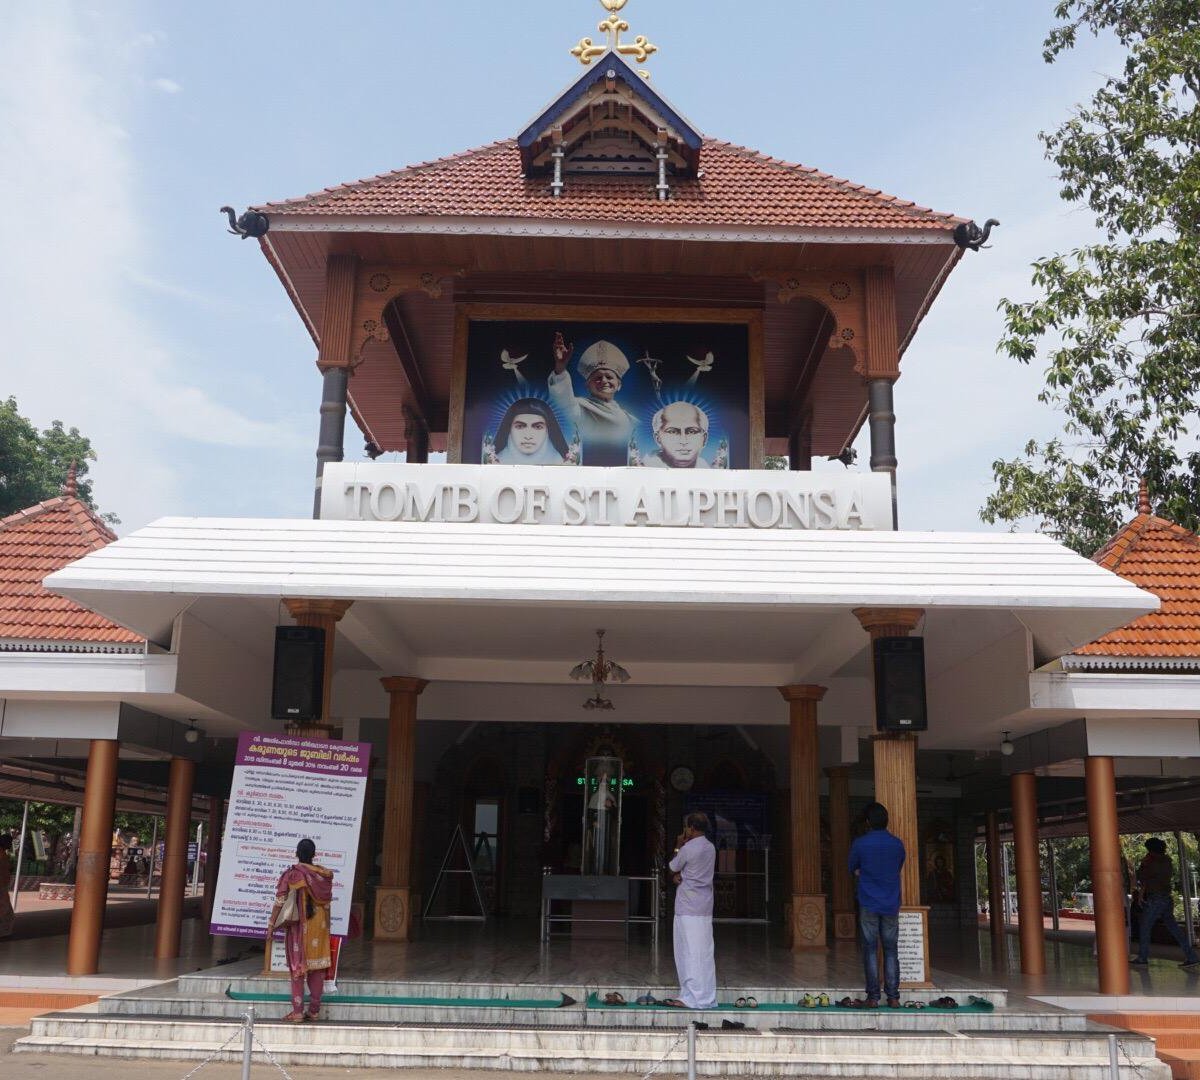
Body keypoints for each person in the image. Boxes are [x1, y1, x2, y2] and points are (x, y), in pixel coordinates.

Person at [268, 838, 335, 1022]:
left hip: (301, 925)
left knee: (298, 967)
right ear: (314, 855)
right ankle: (314, 1011)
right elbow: (327, 904)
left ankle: (297, 1012)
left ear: (296, 853)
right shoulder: (323, 875)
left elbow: (280, 901)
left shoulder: (293, 874)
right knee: (318, 968)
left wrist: (271, 924)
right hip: (319, 925)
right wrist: (327, 928)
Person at [849, 802, 906, 1007]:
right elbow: (898, 866)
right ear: (886, 821)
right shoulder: (897, 844)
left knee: (870, 949)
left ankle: (873, 997)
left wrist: (862, 872)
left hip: (868, 901)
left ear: (868, 822)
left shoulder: (860, 843)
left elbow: (852, 867)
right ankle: (893, 997)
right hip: (891, 902)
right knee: (891, 949)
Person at [664, 811, 717, 1009]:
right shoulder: (710, 848)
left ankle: (692, 997)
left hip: (687, 907)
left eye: (687, 827)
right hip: (704, 907)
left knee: (687, 952)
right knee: (703, 952)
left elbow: (672, 867)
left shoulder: (688, 848)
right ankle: (704, 995)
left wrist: (678, 844)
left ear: (691, 828)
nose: (685, 830)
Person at [547, 333, 638, 448]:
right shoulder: (580, 408)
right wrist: (560, 367)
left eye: (609, 377)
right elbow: (562, 403)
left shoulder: (630, 419)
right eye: (598, 378)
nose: (604, 381)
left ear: (619, 385)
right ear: (587, 385)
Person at [1131, 837, 1200, 969]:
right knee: (1174, 928)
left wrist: (1144, 864)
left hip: (1155, 899)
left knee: (1145, 927)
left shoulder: (1153, 863)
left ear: (1151, 850)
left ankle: (1142, 957)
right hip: (1166, 898)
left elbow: (1142, 877)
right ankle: (1191, 956)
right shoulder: (1167, 861)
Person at [488, 398, 572, 465]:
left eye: (538, 427)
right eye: (520, 426)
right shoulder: (494, 462)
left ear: (548, 430)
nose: (528, 436)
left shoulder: (562, 463)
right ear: (509, 429)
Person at [641, 402, 712, 469]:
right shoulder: (646, 467)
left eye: (691, 432)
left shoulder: (708, 468)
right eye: (672, 432)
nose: (683, 441)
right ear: (658, 438)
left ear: (704, 439)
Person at [0, 834, 14, 939]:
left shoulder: (3, 854)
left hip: (2, 886)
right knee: (6, 911)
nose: (11, 844)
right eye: (9, 842)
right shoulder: (1, 854)